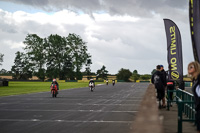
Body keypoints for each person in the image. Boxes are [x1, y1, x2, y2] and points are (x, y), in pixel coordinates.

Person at [188, 61, 200, 133]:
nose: (189, 68)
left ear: (196, 68)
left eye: (191, 67)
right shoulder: (195, 79)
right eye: (188, 67)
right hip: (198, 107)